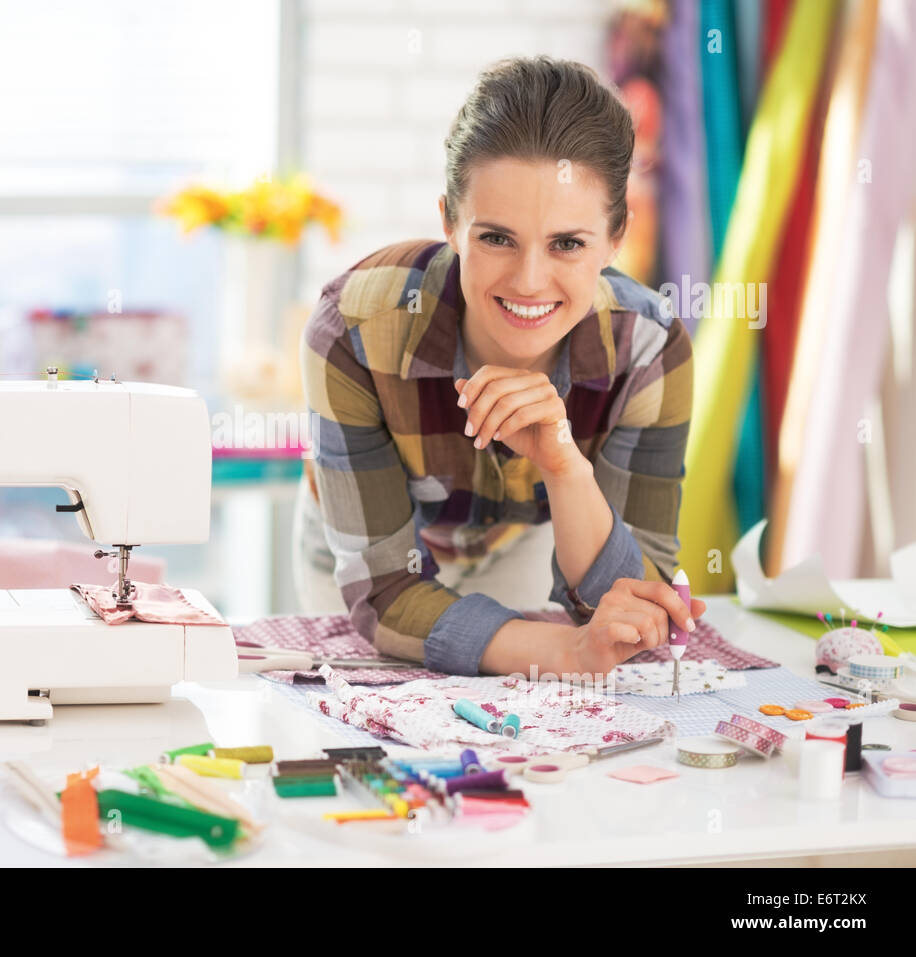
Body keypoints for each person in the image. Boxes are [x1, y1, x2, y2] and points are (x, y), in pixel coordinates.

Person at [296, 56, 706, 678]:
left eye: (567, 243)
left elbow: (636, 605)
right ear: (451, 224)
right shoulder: (353, 330)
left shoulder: (650, 350)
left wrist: (564, 467)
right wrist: (566, 651)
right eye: (496, 238)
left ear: (616, 237)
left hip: (523, 543)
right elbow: (383, 597)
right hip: (366, 559)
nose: (530, 281)